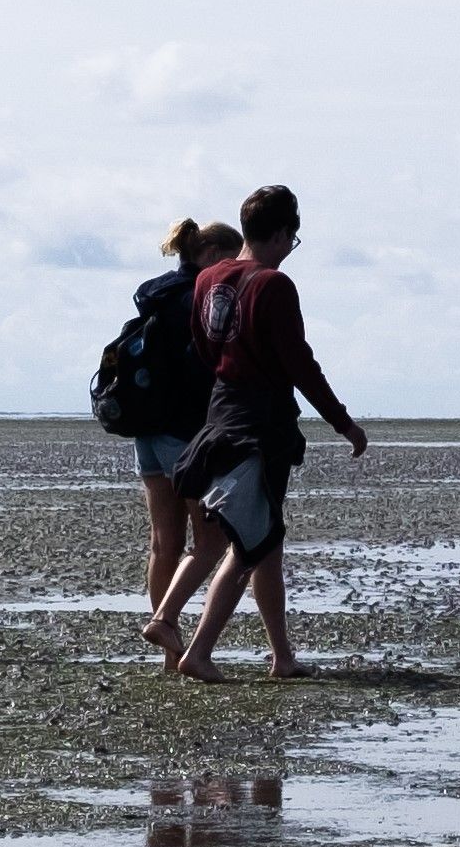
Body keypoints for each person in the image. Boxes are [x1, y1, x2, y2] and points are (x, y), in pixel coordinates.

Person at [149, 184, 367, 679]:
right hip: (260, 426)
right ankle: (198, 650)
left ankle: (282, 655)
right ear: (284, 234)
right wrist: (342, 421)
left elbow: (205, 348)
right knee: (253, 545)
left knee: (264, 541)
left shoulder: (209, 279)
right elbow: (300, 365)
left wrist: (233, 371)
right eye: (293, 238)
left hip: (220, 415)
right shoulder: (273, 285)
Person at [94, 217, 225, 630]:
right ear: (210, 255)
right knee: (208, 542)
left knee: (163, 544)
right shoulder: (199, 298)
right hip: (183, 434)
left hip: (146, 432)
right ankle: (166, 625)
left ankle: (168, 649)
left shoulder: (156, 296)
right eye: (229, 259)